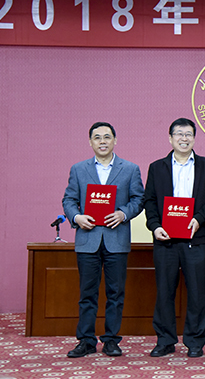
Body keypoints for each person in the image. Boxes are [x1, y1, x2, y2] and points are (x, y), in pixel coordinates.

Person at [144, 118, 205, 358]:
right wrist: (154, 226)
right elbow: (149, 201)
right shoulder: (157, 167)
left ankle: (195, 341)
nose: (184, 138)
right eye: (179, 134)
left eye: (188, 134)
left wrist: (199, 218)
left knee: (197, 293)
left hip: (196, 240)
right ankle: (165, 340)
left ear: (194, 138)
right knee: (164, 292)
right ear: (170, 138)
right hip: (165, 240)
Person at [62, 122, 144, 358]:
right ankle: (86, 340)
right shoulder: (78, 169)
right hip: (87, 239)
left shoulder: (130, 169)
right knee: (87, 294)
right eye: (97, 137)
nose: (102, 141)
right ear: (90, 142)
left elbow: (139, 199)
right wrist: (77, 217)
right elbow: (69, 200)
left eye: (107, 137)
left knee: (115, 294)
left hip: (116, 239)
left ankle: (111, 340)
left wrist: (123, 213)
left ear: (115, 140)